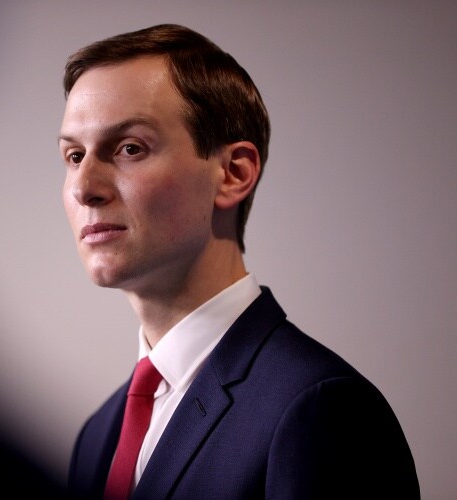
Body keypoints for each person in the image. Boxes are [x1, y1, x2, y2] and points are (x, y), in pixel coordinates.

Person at [59, 24, 419, 499]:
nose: (84, 187)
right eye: (74, 155)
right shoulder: (95, 436)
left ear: (233, 173)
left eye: (130, 148)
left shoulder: (321, 410)